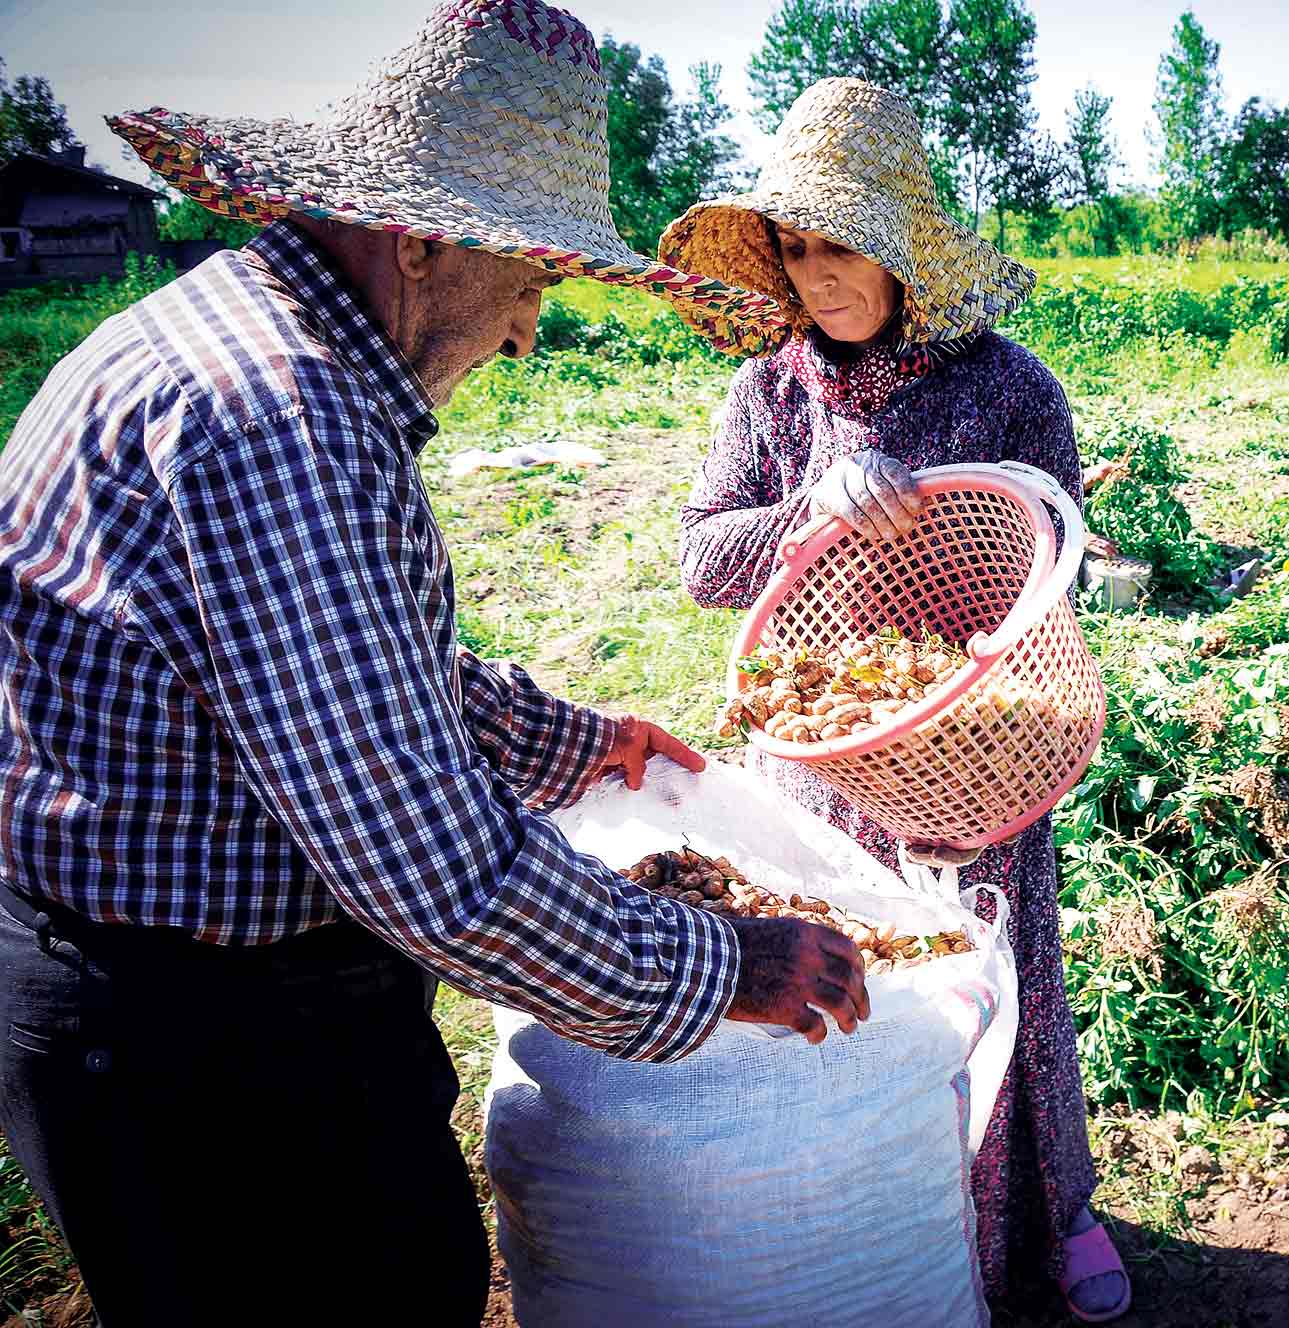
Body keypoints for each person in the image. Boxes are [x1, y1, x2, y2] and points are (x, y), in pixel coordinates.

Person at [0, 6, 866, 1324]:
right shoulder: (281, 421)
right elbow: (425, 861)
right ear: (417, 240)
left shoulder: (240, 350)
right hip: (193, 1034)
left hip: (178, 1001)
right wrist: (731, 967)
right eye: (528, 281)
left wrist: (570, 739)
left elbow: (316, 668)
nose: (526, 332)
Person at [662, 77, 1133, 1324]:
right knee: (861, 985)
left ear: (905, 250)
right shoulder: (768, 396)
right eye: (798, 250)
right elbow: (700, 557)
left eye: (843, 247)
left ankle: (1053, 1213)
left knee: (1003, 971)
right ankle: (886, 1229)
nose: (818, 278)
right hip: (819, 752)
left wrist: (934, 529)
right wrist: (801, 512)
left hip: (971, 736)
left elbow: (1048, 555)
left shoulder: (1007, 386)